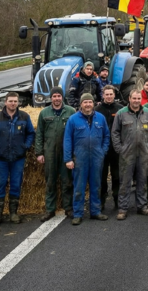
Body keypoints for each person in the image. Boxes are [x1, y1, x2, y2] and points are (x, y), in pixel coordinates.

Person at [0, 92, 36, 227]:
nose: (13, 103)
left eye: (15, 101)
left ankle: (13, 213)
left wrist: (26, 146)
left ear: (18, 102)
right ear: (5, 102)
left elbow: (31, 133)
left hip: (18, 158)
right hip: (1, 158)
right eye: (10, 101)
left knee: (16, 184)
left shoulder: (24, 117)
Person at [64, 93, 111, 225]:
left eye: (90, 102)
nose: (88, 104)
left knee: (96, 185)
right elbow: (67, 140)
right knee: (79, 187)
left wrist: (103, 151)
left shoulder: (100, 118)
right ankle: (78, 214)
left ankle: (95, 211)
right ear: (81, 104)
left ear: (94, 103)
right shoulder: (73, 119)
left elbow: (106, 136)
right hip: (80, 158)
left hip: (97, 158)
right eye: (85, 102)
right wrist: (68, 159)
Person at [112, 89, 148, 220]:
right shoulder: (121, 114)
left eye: (138, 99)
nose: (136, 101)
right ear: (129, 99)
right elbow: (115, 133)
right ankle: (123, 208)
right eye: (134, 98)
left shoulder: (147, 113)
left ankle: (142, 206)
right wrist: (120, 149)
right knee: (125, 182)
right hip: (127, 154)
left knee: (142, 180)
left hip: (143, 153)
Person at [35, 86, 76, 221]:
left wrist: (74, 154)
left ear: (62, 97)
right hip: (50, 152)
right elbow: (39, 134)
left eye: (59, 96)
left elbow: (75, 133)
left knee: (67, 181)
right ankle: (50, 209)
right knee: (50, 181)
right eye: (54, 96)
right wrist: (39, 153)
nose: (57, 99)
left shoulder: (70, 111)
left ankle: (68, 208)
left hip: (66, 152)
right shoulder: (44, 113)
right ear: (51, 98)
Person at [95, 85, 123, 211]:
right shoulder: (97, 110)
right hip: (102, 149)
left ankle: (117, 200)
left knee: (117, 176)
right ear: (103, 95)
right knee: (102, 176)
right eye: (106, 94)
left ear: (114, 95)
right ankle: (101, 201)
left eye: (111, 94)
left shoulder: (121, 109)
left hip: (116, 149)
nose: (109, 96)